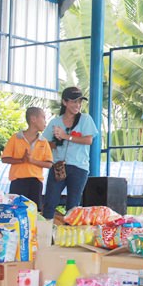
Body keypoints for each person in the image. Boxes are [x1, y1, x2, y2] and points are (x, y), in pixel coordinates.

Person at [42, 87, 98, 219]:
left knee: (73, 206)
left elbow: (88, 140)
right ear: (65, 102)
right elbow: (45, 144)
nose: (77, 105)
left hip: (79, 167)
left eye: (79, 102)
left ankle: (70, 236)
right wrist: (56, 140)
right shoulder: (55, 122)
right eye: (74, 102)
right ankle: (46, 233)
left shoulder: (85, 119)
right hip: (58, 166)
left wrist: (66, 136)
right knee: (50, 201)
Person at [1, 107, 53, 211]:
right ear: (33, 119)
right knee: (15, 210)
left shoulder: (44, 141)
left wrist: (32, 161)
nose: (45, 121)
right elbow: (5, 159)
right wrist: (21, 160)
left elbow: (49, 164)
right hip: (18, 181)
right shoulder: (15, 138)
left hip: (35, 182)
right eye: (43, 117)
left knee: (34, 211)